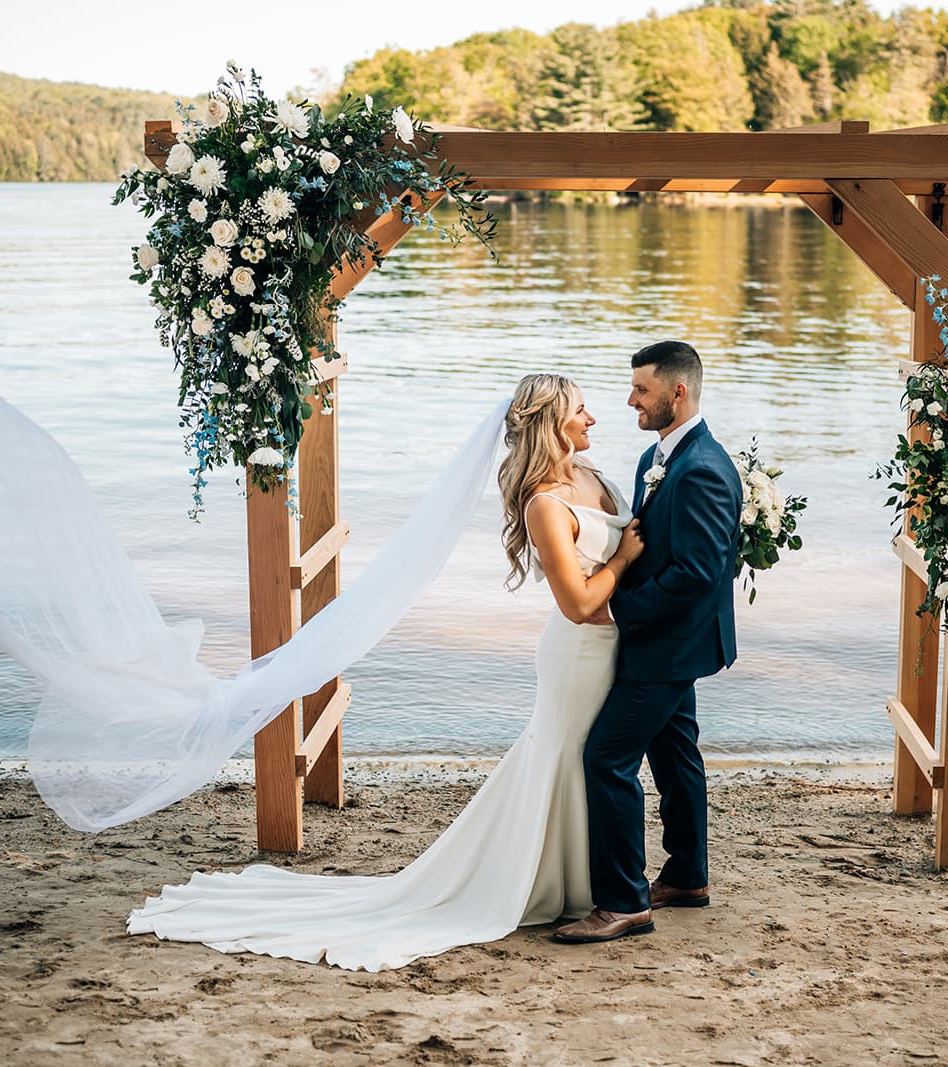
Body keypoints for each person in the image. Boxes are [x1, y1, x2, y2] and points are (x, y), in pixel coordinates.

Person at [126, 372, 647, 970]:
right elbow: (578, 605)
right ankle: (554, 884)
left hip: (616, 650)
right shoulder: (544, 506)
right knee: (562, 756)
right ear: (553, 423)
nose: (594, 419)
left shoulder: (598, 478)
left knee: (586, 763)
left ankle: (586, 883)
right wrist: (626, 558)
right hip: (578, 656)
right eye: (582, 410)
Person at [554, 341, 745, 946]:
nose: (630, 399)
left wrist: (617, 610)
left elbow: (697, 573)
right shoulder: (656, 458)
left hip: (668, 644)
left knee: (606, 758)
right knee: (674, 754)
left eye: (640, 389)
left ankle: (622, 902)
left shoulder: (705, 469)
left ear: (676, 392)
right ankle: (687, 876)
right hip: (661, 640)